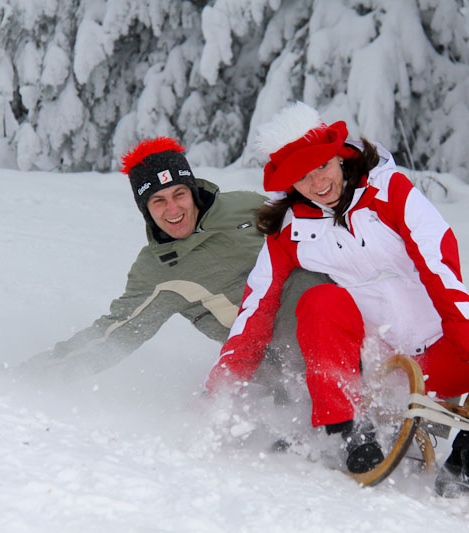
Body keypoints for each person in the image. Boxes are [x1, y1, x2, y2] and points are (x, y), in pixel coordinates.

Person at [204, 102, 469, 500]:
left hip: (439, 351)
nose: (318, 182)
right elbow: (257, 309)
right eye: (302, 178)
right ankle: (350, 430)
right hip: (375, 363)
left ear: (339, 155)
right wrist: (221, 388)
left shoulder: (391, 193)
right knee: (321, 300)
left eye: (322, 166)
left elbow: (439, 270)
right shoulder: (290, 231)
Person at [20, 137, 324, 382]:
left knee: (309, 281)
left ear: (192, 191)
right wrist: (36, 374)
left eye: (179, 194)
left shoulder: (245, 207)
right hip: (271, 362)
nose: (173, 209)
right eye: (158, 200)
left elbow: (320, 229)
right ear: (146, 210)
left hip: (328, 319)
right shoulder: (158, 270)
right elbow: (113, 335)